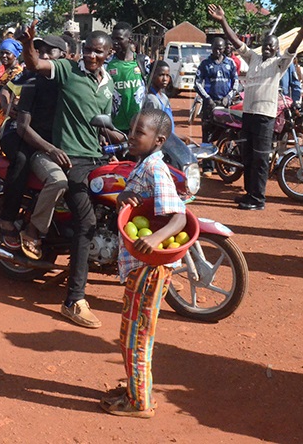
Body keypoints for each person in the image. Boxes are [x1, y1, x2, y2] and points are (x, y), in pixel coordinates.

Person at [22, 21, 123, 328]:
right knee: (87, 222)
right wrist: (28, 43)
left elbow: (98, 121)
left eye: (98, 51)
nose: (91, 56)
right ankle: (74, 300)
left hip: (96, 157)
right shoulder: (68, 70)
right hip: (71, 160)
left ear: (109, 53)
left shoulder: (107, 84)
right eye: (88, 50)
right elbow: (36, 63)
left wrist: (114, 133)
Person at [104, 108, 187, 418]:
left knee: (138, 336)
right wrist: (125, 194)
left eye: (140, 132)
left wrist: (154, 239)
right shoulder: (144, 165)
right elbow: (140, 199)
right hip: (139, 268)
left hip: (150, 268)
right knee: (129, 331)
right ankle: (133, 389)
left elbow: (178, 217)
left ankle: (140, 402)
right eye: (132, 129)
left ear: (159, 140)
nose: (131, 135)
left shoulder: (156, 169)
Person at [208, 4, 303, 210]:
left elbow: (293, 48)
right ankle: (249, 195)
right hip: (248, 114)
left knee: (260, 159)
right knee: (248, 157)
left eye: (272, 46)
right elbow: (236, 41)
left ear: (276, 49)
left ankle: (258, 200)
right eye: (266, 45)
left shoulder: (279, 63)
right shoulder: (254, 58)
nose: (268, 48)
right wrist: (223, 20)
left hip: (265, 118)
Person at [0, 36, 69, 260]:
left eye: (50, 52)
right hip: (17, 133)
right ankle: (8, 219)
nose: (44, 56)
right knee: (22, 159)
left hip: (45, 137)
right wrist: (50, 149)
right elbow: (22, 127)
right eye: (41, 52)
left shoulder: (69, 81)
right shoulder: (31, 79)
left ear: (64, 58)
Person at [107, 22, 149, 132]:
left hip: (140, 126)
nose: (115, 43)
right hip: (116, 128)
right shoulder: (107, 65)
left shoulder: (143, 62)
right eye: (113, 39)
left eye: (119, 39)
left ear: (129, 39)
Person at [194, 36, 238, 131]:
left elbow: (236, 83)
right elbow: (197, 83)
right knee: (207, 134)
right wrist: (208, 99)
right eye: (215, 49)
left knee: (224, 133)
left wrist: (228, 97)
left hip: (225, 104)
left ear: (224, 48)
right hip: (209, 104)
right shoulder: (205, 64)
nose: (217, 51)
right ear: (211, 47)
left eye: (220, 49)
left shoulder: (230, 63)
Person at [0, 38, 24, 151]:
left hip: (7, 122)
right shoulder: (6, 73)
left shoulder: (17, 73)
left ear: (15, 55)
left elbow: (16, 101)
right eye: (2, 52)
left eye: (8, 53)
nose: (4, 56)